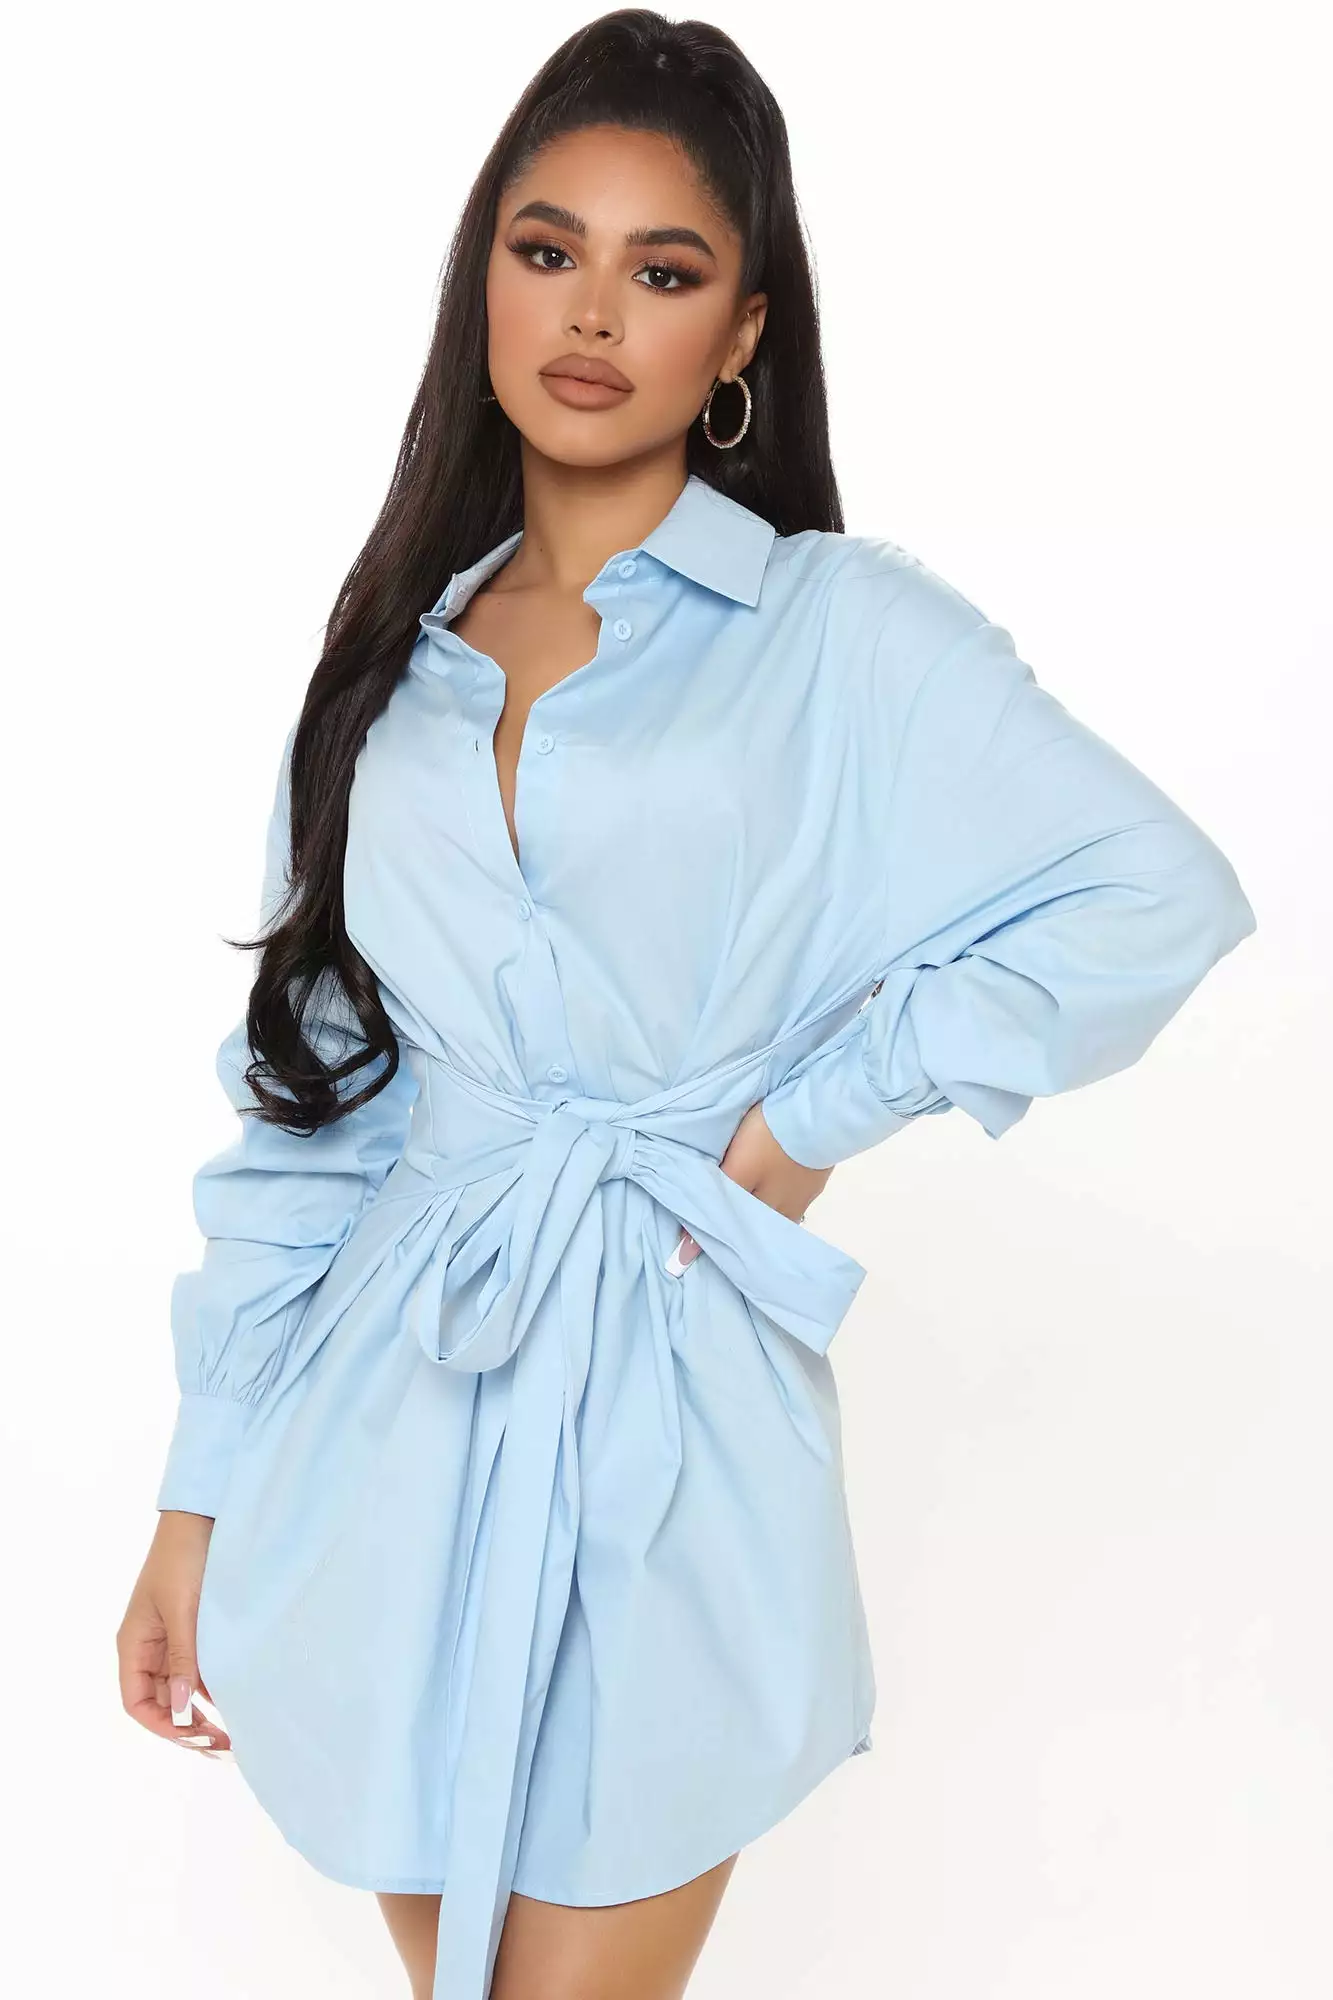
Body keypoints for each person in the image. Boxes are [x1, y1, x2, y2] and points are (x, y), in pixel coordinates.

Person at [116, 12, 1258, 2000]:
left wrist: (812, 1117)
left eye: (664, 270)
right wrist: (192, 1499)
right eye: (546, 249)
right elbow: (306, 1108)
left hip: (665, 1394)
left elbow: (1154, 893)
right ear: (481, 277)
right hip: (384, 1428)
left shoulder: (842, 635)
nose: (591, 312)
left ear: (742, 333)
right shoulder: (385, 668)